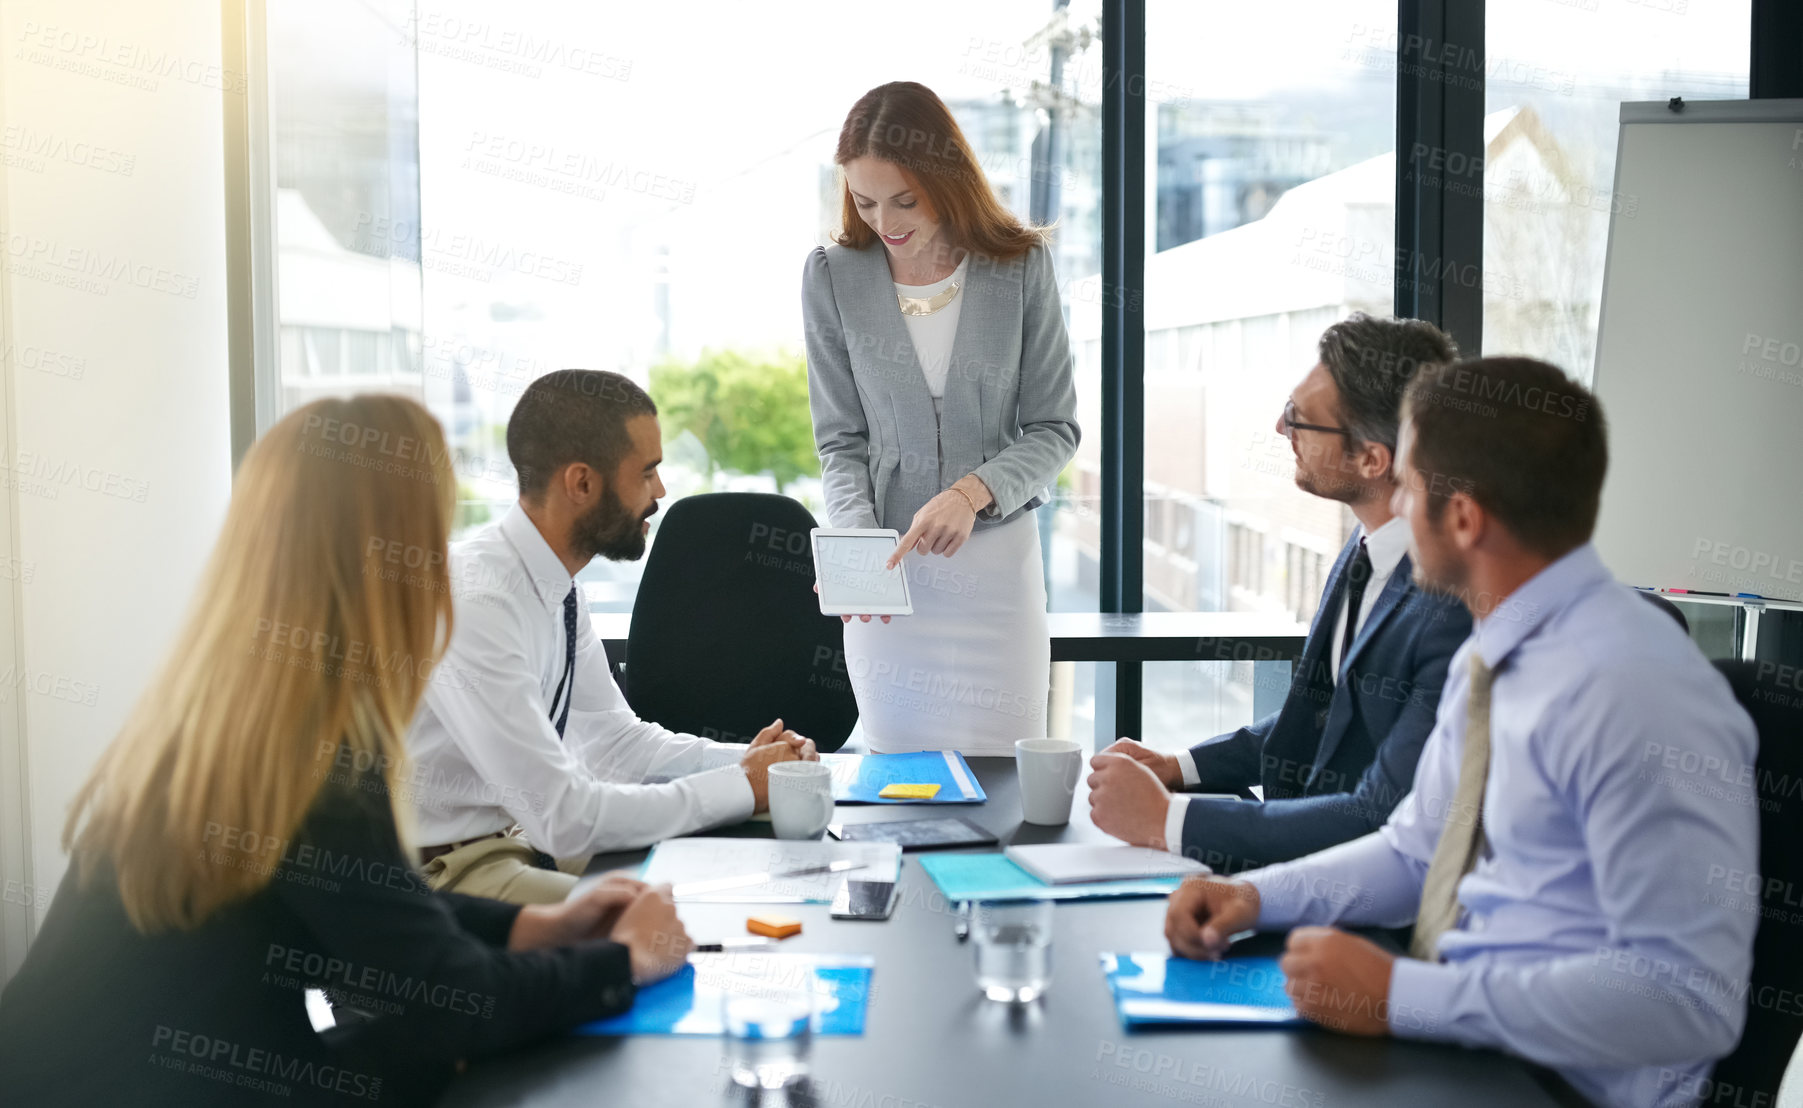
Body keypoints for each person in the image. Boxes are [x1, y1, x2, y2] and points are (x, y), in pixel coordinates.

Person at [0, 396, 693, 1107]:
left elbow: (374, 904)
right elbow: (455, 1001)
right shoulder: (310, 761)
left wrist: (531, 925)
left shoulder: (228, 720)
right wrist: (621, 961)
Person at [1163, 358, 1759, 1108]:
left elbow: (1686, 998)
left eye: (1408, 486)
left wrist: (1398, 995)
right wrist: (1251, 895)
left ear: (1465, 518)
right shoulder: (1493, 651)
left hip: (1554, 1086)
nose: (1397, 505)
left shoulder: (1634, 690)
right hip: (1464, 1041)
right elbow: (1418, 851)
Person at [404, 369, 816, 905]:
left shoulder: (557, 587)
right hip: (445, 872)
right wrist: (742, 785)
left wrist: (750, 765)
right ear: (581, 483)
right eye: (647, 473)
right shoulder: (480, 601)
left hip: (515, 841)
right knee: (664, 918)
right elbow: (564, 818)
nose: (661, 492)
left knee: (735, 870)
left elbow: (617, 744)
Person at [1088, 314, 1470, 871]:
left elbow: (1382, 818)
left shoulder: (1452, 605)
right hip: (1292, 872)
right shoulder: (1362, 550)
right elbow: (1321, 716)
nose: (1278, 428)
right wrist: (1177, 767)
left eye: (1299, 419)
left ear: (1371, 458)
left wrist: (1166, 820)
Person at [803, 80, 1080, 754]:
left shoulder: (1019, 265)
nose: (885, 221)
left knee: (1002, 780)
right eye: (864, 201)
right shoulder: (830, 276)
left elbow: (1055, 428)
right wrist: (857, 544)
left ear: (945, 180)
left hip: (997, 577)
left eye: (905, 199)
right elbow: (840, 441)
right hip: (886, 581)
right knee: (897, 785)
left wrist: (969, 493)